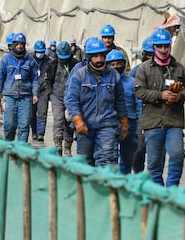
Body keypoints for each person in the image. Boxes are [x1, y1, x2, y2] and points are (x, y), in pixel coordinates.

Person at [134, 28, 185, 186]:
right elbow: (139, 91)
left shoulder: (179, 68)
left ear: (170, 46)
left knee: (177, 155)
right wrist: (160, 95)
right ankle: (159, 194)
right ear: (154, 47)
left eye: (166, 46)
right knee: (154, 164)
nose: (163, 49)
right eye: (159, 46)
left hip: (174, 121)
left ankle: (171, 190)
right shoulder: (144, 69)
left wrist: (179, 96)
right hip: (152, 123)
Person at [65, 37, 127, 166]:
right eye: (95, 56)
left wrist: (124, 122)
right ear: (88, 58)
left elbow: (120, 101)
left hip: (107, 126)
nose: (99, 60)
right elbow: (71, 100)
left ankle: (104, 186)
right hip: (85, 127)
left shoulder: (114, 76)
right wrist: (77, 121)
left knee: (106, 161)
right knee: (85, 164)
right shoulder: (79, 76)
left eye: (102, 55)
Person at [0, 32, 39, 142]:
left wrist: (35, 93)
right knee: (9, 125)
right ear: (13, 45)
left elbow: (35, 78)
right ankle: (9, 148)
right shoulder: (6, 60)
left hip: (25, 97)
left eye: (22, 44)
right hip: (10, 97)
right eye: (17, 44)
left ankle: (20, 151)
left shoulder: (30, 61)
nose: (19, 46)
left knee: (24, 126)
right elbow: (0, 77)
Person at [106, 49, 139, 174]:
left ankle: (124, 181)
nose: (116, 67)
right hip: (111, 123)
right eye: (112, 64)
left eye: (119, 64)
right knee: (111, 156)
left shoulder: (132, 83)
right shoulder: (105, 83)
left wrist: (140, 124)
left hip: (130, 123)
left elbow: (139, 104)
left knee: (127, 157)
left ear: (124, 64)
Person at [45, 41, 79, 155]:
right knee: (58, 118)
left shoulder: (75, 65)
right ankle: (58, 144)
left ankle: (68, 145)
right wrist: (49, 94)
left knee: (69, 120)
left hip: (70, 96)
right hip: (56, 95)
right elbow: (48, 81)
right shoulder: (52, 64)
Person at [129, 36, 155, 173]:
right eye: (148, 55)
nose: (150, 58)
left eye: (153, 55)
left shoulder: (164, 72)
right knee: (138, 150)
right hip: (140, 117)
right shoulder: (135, 72)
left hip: (157, 117)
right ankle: (138, 172)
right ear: (143, 54)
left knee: (156, 155)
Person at [30, 40, 51, 142]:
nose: (40, 54)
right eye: (38, 51)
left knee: (42, 113)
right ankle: (34, 131)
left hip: (43, 91)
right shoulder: (30, 61)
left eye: (42, 52)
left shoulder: (48, 61)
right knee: (32, 113)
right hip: (31, 91)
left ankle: (41, 133)